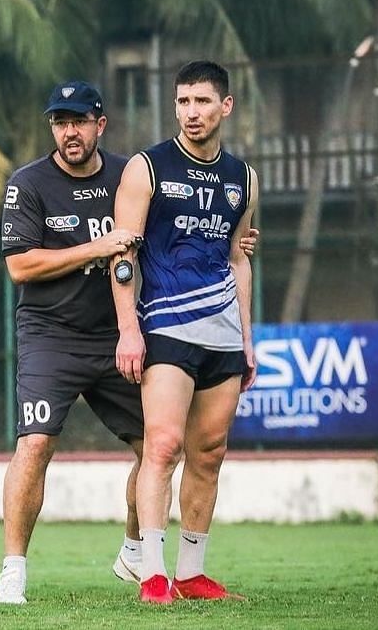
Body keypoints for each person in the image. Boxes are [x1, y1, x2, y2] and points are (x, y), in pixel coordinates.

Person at [0, 81, 259, 605]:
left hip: (121, 333)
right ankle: (13, 568)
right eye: (60, 122)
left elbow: (189, 229)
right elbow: (20, 266)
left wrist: (237, 239)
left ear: (100, 124)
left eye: (80, 121)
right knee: (37, 443)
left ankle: (136, 553)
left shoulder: (130, 172)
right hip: (52, 336)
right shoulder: (29, 184)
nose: (70, 132)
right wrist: (99, 246)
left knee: (159, 447)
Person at [111, 60, 258, 604]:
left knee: (210, 451)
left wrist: (247, 338)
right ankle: (152, 573)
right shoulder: (147, 167)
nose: (191, 113)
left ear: (226, 106)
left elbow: (239, 259)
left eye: (201, 102)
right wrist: (129, 329)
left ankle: (192, 572)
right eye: (182, 102)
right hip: (166, 326)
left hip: (222, 332)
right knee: (164, 446)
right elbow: (122, 253)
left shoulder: (243, 178)